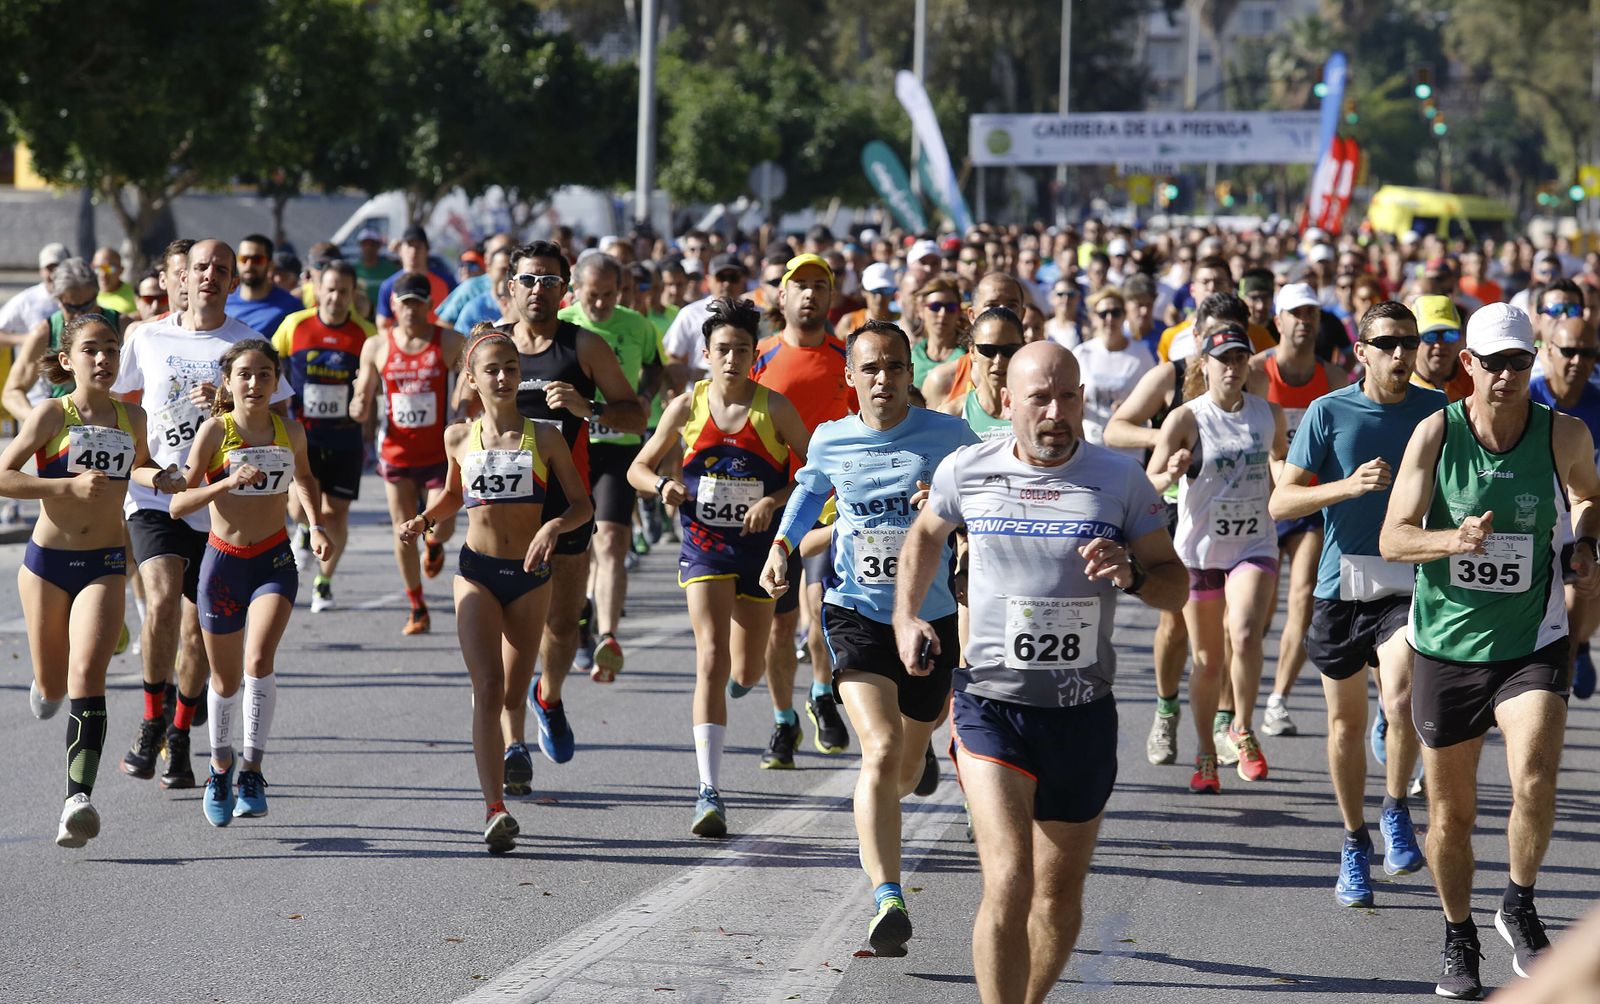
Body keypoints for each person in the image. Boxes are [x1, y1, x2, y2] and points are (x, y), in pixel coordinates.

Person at [893, 341, 1185, 1000]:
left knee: (1056, 898)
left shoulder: (1120, 479)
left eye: (1069, 397)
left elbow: (1175, 585)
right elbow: (925, 536)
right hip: (990, 706)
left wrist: (1134, 574)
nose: (1057, 412)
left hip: (1083, 713)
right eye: (1040, 398)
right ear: (1005, 402)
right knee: (1009, 879)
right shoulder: (968, 469)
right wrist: (907, 617)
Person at [1381, 302, 1600, 999]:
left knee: (1534, 772)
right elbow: (1394, 537)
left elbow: (1590, 494)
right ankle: (1458, 932)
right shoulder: (1434, 436)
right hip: (1447, 644)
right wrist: (1452, 541)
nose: (1507, 375)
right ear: (1466, 365)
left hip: (1531, 640)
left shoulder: (1562, 432)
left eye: (1519, 361)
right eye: (1494, 362)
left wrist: (1585, 540)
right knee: (1452, 814)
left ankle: (1520, 901)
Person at [757, 318, 976, 956]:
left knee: (905, 765)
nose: (883, 380)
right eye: (870, 369)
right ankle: (887, 895)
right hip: (854, 611)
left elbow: (978, 500)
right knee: (878, 751)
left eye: (895, 368)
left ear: (911, 373)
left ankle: (922, 749)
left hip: (930, 620)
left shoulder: (948, 435)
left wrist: (945, 503)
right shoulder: (830, 438)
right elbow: (807, 496)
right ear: (849, 377)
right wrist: (783, 545)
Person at [1268, 300, 1441, 909]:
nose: (1402, 354)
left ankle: (1395, 809)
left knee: (1400, 696)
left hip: (1409, 583)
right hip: (1341, 588)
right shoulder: (1327, 411)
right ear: (1361, 352)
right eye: (1388, 344)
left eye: (1409, 343)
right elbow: (1281, 504)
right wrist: (1346, 486)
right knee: (1343, 724)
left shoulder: (1437, 411)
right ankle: (1352, 840)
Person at [396, 328, 591, 852]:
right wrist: (422, 520)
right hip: (477, 571)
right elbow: (452, 497)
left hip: (529, 579)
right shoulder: (459, 437)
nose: (503, 377)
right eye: (492, 370)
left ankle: (518, 738)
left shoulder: (546, 436)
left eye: (510, 367)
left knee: (509, 689)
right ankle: (494, 808)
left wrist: (553, 528)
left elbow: (582, 505)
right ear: (473, 379)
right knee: (486, 687)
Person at [112, 239, 292, 791]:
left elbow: (279, 422)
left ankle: (183, 733)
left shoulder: (246, 344)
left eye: (222, 268)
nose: (210, 275)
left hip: (221, 506)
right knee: (162, 601)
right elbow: (119, 405)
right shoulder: (146, 335)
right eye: (201, 267)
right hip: (159, 497)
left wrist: (233, 408)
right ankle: (150, 722)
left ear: (234, 281)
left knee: (197, 633)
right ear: (180, 278)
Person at [0, 314, 184, 846]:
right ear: (67, 360)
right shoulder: (50, 414)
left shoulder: (134, 416)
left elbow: (141, 467)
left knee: (87, 674)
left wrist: (162, 477)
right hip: (46, 565)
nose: (102, 359)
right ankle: (45, 677)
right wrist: (64, 489)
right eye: (90, 350)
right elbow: (6, 476)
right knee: (55, 684)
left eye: (110, 349)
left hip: (104, 561)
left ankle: (76, 800)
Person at [628, 297, 809, 835]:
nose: (731, 359)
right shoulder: (687, 407)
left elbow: (812, 473)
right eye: (722, 350)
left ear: (756, 356)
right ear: (706, 353)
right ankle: (709, 790)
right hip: (704, 544)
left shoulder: (774, 409)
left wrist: (772, 502)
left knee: (746, 669)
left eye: (742, 350)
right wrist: (663, 485)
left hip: (758, 551)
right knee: (709, 654)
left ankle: (741, 680)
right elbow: (639, 467)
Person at [166, 339, 329, 825]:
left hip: (274, 560)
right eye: (244, 374)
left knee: (259, 661)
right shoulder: (216, 430)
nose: (255, 383)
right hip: (222, 564)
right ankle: (220, 766)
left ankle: (252, 770)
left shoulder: (290, 430)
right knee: (224, 678)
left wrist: (315, 525)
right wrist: (226, 483)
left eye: (263, 374)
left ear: (276, 380)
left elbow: (304, 479)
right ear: (228, 382)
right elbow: (179, 504)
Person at [498, 241, 644, 765]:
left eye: (551, 282)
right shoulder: (492, 348)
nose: (539, 290)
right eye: (530, 280)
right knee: (510, 633)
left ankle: (549, 696)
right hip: (502, 512)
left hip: (565, 511)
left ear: (565, 292)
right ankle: (513, 744)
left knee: (560, 625)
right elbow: (460, 423)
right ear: (510, 285)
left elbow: (634, 415)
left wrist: (589, 408)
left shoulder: (584, 346)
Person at [1104, 294, 1261, 768]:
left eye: (1235, 343)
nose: (1225, 350)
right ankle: (1166, 709)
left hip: (1233, 516)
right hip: (1174, 509)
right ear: (1197, 339)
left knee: (1238, 625)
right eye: (1214, 338)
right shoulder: (1169, 376)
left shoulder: (1247, 389)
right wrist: (1171, 441)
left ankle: (1224, 719)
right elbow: (1116, 429)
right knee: (1175, 624)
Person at [1148, 320, 1288, 790]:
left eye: (1239, 358)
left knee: (1246, 632)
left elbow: (1281, 464)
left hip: (1254, 543)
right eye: (1223, 359)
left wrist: (1294, 476)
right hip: (1200, 552)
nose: (1232, 367)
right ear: (1203, 365)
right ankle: (1205, 752)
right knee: (1207, 660)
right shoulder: (1186, 419)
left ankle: (1243, 728)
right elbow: (1149, 483)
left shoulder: (1268, 414)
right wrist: (1169, 471)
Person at [749, 253, 855, 766]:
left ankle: (818, 693)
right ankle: (783, 720)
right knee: (776, 621)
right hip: (773, 504)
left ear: (831, 297)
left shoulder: (847, 358)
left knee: (818, 614)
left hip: (832, 504)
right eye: (801, 286)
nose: (810, 294)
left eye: (820, 285)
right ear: (782, 297)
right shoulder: (761, 357)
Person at [557, 253, 664, 681]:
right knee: (579, 548)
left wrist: (643, 395)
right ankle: (581, 616)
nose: (600, 304)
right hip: (569, 446)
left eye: (609, 295)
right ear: (575, 290)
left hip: (619, 445)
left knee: (612, 543)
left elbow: (656, 367)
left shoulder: (637, 325)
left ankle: (608, 636)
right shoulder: (561, 324)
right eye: (592, 296)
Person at [1253, 282, 1349, 738]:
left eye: (1311, 312)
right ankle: (1237, 705)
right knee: (1260, 609)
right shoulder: (1255, 372)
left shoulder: (1332, 379)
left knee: (1303, 595)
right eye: (1295, 312)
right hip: (1261, 501)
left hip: (1309, 500)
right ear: (1278, 321)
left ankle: (1278, 699)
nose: (1304, 321)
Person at [350, 273, 465, 635]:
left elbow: (469, 380)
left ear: (429, 306)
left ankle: (434, 544)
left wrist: (463, 411)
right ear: (394, 307)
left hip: (438, 454)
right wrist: (358, 404)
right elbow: (364, 390)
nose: (411, 310)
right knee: (402, 531)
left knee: (441, 526)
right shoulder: (377, 346)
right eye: (405, 303)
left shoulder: (448, 342)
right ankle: (417, 606)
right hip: (396, 453)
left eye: (418, 303)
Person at [271, 260, 376, 612]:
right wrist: (278, 411)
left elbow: (373, 385)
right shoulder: (294, 325)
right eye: (329, 289)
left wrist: (367, 416)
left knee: (337, 514)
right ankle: (305, 528)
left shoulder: (365, 334)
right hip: (304, 435)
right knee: (296, 506)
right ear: (317, 289)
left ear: (351, 294)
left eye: (342, 291)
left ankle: (324, 582)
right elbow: (271, 365)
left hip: (345, 437)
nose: (334, 297)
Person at [1529, 315, 1600, 699]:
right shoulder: (1526, 398)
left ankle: (1555, 699)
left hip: (1586, 525)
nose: (1578, 361)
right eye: (1569, 351)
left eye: (1588, 353)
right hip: (1531, 526)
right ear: (1547, 351)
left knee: (1571, 624)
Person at [4, 258, 127, 419]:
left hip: (114, 423)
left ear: (97, 294)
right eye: (71, 307)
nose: (79, 314)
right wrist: (38, 422)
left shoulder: (123, 325)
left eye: (86, 306)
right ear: (58, 300)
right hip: (64, 426)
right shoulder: (44, 333)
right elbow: (12, 392)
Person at [1074, 287, 1155, 457]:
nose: (1110, 318)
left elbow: (1155, 400)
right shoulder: (1082, 353)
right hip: (1091, 445)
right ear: (1093, 318)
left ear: (1124, 315)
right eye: (1103, 313)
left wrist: (1131, 406)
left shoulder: (1141, 354)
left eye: (1116, 312)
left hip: (1128, 450)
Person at [940, 307, 1024, 442]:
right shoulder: (953, 414)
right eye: (988, 350)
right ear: (972, 352)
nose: (998, 360)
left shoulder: (1038, 408)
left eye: (1009, 350)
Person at [376, 227, 454, 335]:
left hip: (439, 346)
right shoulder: (388, 286)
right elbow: (383, 326)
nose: (413, 251)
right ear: (400, 250)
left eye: (418, 247)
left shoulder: (447, 281)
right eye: (409, 246)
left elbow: (456, 319)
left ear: (427, 251)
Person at [225, 235, 306, 338]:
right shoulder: (223, 302)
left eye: (257, 260)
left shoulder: (292, 307)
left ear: (270, 264)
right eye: (244, 258)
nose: (249, 265)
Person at [1409, 295, 1474, 402]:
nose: (1439, 344)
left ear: (1461, 339)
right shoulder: (1401, 385)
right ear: (1414, 340)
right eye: (1430, 336)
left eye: (1449, 334)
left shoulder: (1474, 380)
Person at [909, 277, 966, 388]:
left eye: (951, 307)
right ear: (920, 311)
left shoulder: (969, 355)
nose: (943, 313)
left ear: (959, 312)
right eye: (935, 307)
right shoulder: (910, 356)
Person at [352, 227, 399, 316]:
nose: (368, 248)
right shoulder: (353, 270)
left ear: (378, 246)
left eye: (372, 244)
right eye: (365, 244)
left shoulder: (390, 269)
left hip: (386, 315)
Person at [91, 247, 136, 315]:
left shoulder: (135, 295)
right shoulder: (85, 295)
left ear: (121, 270)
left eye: (109, 269)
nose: (103, 275)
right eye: (98, 268)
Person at [1043, 279, 1082, 348]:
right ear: (1052, 298)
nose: (1066, 299)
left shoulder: (1087, 328)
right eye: (1060, 294)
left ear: (1078, 298)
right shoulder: (1044, 328)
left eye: (1071, 294)